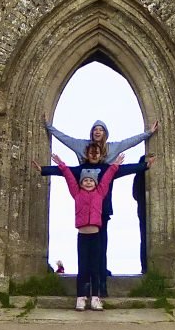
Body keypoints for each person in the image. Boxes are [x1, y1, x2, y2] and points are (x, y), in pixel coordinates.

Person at [35, 145, 156, 293]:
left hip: (102, 216)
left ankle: (101, 289)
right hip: (85, 222)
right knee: (85, 258)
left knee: (101, 251)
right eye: (91, 153)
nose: (94, 155)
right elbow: (65, 173)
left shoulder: (106, 169)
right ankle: (84, 293)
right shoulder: (81, 170)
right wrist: (44, 169)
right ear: (86, 154)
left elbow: (123, 170)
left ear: (101, 154)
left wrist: (144, 166)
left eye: (96, 152)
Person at [53, 150, 124, 311]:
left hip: (96, 236)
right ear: (81, 183)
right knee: (83, 268)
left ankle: (95, 298)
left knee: (95, 269)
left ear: (95, 182)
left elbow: (106, 180)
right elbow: (70, 179)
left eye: (91, 180)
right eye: (85, 180)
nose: (88, 182)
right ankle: (80, 298)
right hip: (82, 237)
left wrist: (115, 165)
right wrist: (62, 165)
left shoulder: (100, 193)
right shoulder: (77, 194)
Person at [43, 115, 159, 164]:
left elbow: (131, 141)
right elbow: (64, 138)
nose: (97, 132)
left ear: (105, 133)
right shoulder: (81, 145)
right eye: (95, 130)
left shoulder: (112, 147)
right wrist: (48, 126)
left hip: (104, 184)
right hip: (86, 183)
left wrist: (148, 133)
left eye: (100, 130)